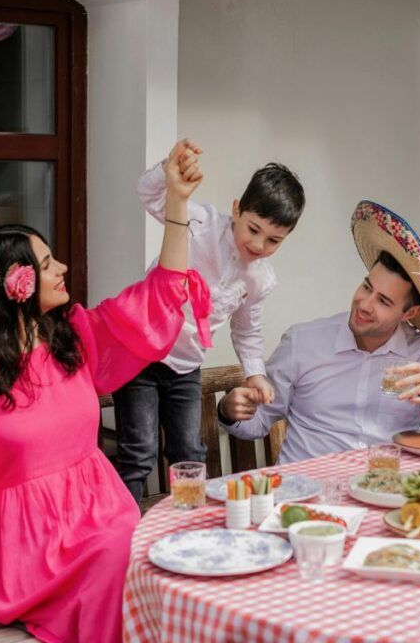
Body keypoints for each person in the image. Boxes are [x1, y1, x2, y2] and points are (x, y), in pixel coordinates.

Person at [0, 142, 208, 643]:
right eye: (47, 263)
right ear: (13, 285)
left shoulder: (72, 337)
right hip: (26, 554)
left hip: (103, 520)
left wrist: (177, 203)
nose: (62, 267)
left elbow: (156, 298)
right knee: (124, 560)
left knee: (161, 558)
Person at [113, 146, 305, 501]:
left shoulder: (260, 279)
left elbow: (247, 329)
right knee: (139, 451)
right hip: (139, 356)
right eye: (253, 229)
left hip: (186, 368)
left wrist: (255, 374)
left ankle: (190, 525)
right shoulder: (200, 222)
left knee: (189, 451)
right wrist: (168, 170)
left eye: (274, 240)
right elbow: (148, 193)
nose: (259, 244)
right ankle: (122, 530)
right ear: (236, 209)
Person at [218, 200, 420, 463]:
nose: (364, 304)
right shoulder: (302, 343)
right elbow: (258, 422)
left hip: (383, 489)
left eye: (383, 301)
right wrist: (228, 410)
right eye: (366, 287)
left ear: (409, 313)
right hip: (306, 492)